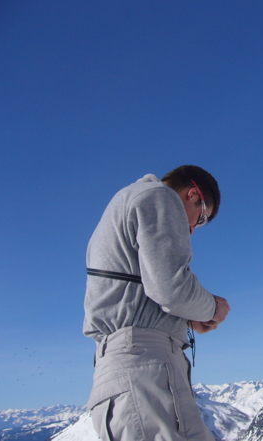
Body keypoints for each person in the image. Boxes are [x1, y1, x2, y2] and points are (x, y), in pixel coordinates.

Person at [83, 165, 230, 441]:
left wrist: (186, 317)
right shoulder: (161, 198)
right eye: (201, 218)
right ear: (193, 194)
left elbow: (136, 293)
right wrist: (213, 308)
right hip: (144, 367)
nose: (193, 230)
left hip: (130, 369)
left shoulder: (127, 203)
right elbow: (171, 289)